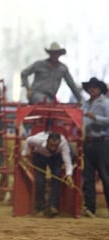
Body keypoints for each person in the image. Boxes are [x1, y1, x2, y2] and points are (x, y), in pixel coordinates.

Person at [21, 131, 75, 217]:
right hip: (39, 155)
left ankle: (53, 206)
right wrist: (24, 155)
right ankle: (40, 207)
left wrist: (69, 175)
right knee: (39, 181)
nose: (53, 148)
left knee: (56, 178)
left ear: (59, 143)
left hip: (56, 157)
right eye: (51, 145)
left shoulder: (63, 144)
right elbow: (28, 140)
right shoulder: (38, 140)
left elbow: (67, 161)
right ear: (47, 141)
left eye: (55, 146)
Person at [81, 77, 109, 218]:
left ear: (100, 89)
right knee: (88, 176)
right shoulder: (85, 104)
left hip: (102, 142)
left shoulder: (105, 103)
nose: (92, 89)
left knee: (105, 176)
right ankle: (90, 207)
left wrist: (95, 118)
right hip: (89, 142)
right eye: (90, 87)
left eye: (95, 87)